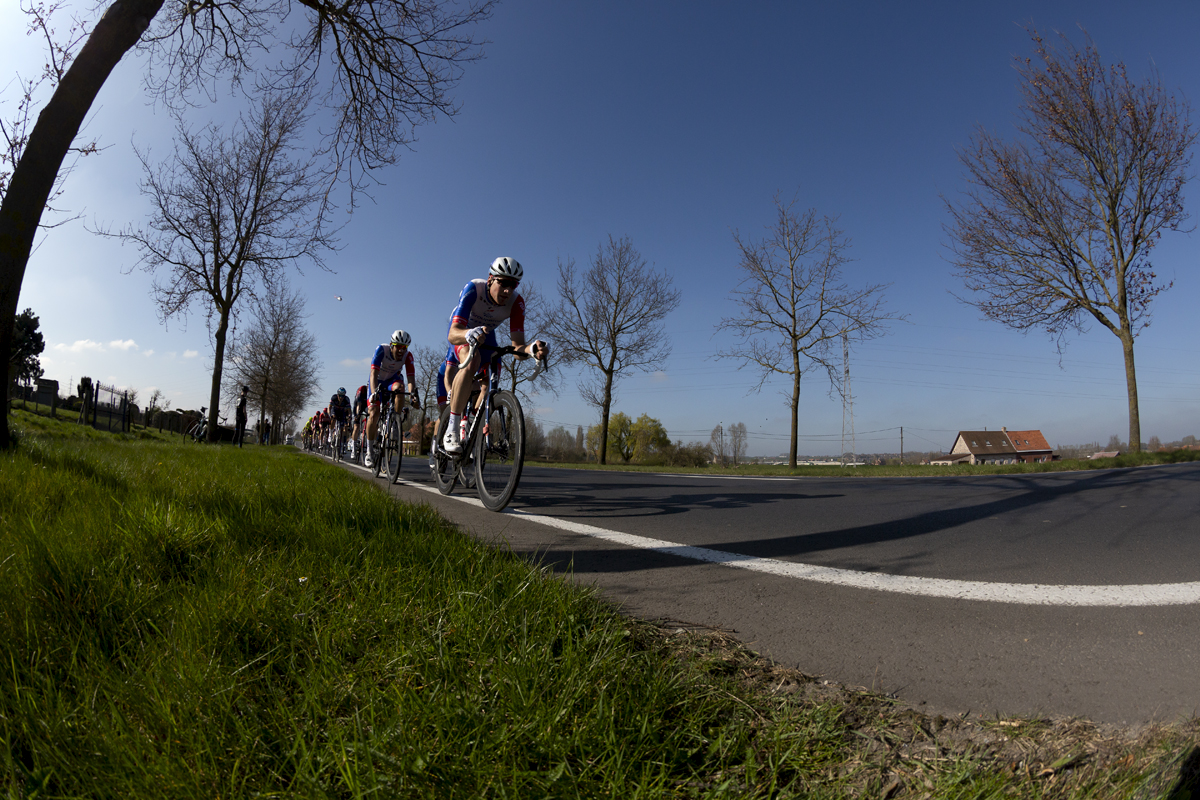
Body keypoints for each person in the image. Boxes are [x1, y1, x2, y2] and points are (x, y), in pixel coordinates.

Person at [441, 257, 547, 454]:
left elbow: (517, 349)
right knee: (473, 360)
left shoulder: (517, 303)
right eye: (503, 283)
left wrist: (532, 349)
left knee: (491, 379)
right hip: (462, 332)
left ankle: (471, 424)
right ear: (490, 279)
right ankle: (452, 429)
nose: (508, 290)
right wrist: (467, 333)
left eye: (513, 285)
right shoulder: (474, 289)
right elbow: (452, 333)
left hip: (487, 336)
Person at [365, 330, 419, 467]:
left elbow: (411, 378)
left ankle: (394, 422)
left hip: (391, 382)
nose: (401, 350)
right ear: (392, 345)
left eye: (404, 347)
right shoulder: (381, 350)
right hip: (377, 381)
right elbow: (373, 373)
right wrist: (373, 393)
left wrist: (413, 395)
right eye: (398, 346)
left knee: (401, 387)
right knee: (374, 413)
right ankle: (369, 452)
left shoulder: (408, 356)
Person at [329, 387, 352, 455]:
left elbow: (349, 411)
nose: (341, 397)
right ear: (337, 394)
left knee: (342, 427)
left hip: (342, 412)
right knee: (333, 419)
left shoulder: (346, 400)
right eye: (340, 395)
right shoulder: (334, 398)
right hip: (335, 411)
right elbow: (329, 407)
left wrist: (350, 416)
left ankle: (340, 442)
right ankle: (330, 435)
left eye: (343, 396)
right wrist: (330, 414)